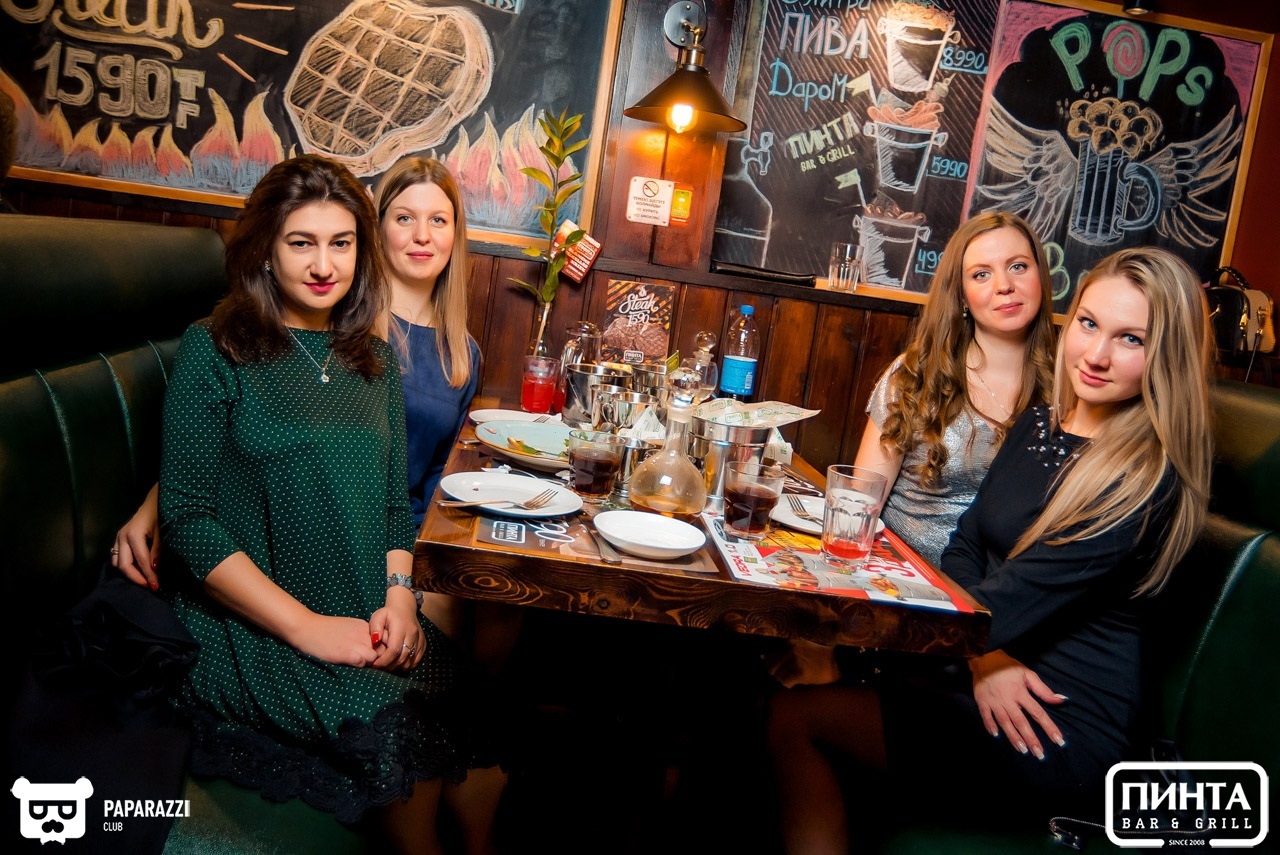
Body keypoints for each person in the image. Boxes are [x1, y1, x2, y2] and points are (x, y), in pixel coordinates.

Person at [113, 156, 505, 852]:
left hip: (364, 602)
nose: (325, 265)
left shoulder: (373, 361)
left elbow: (394, 506)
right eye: (302, 242)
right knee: (407, 765)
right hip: (251, 623)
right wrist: (307, 629)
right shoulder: (216, 348)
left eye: (341, 242)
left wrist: (401, 596)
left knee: (486, 745)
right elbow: (189, 521)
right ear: (266, 248)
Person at [768, 246, 1214, 853]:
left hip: (1056, 720)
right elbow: (965, 545)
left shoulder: (1140, 479)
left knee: (798, 720)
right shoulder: (1040, 424)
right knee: (783, 698)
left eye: (1130, 339)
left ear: (1167, 357)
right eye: (1088, 324)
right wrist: (987, 661)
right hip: (989, 669)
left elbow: (1005, 603)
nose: (1096, 355)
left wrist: (981, 650)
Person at [770, 211, 1057, 686]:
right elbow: (857, 504)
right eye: (981, 274)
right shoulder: (918, 375)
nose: (1004, 285)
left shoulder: (1071, 387)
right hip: (901, 598)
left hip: (1011, 610)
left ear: (1040, 276)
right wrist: (823, 639)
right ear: (960, 295)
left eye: (1018, 266)